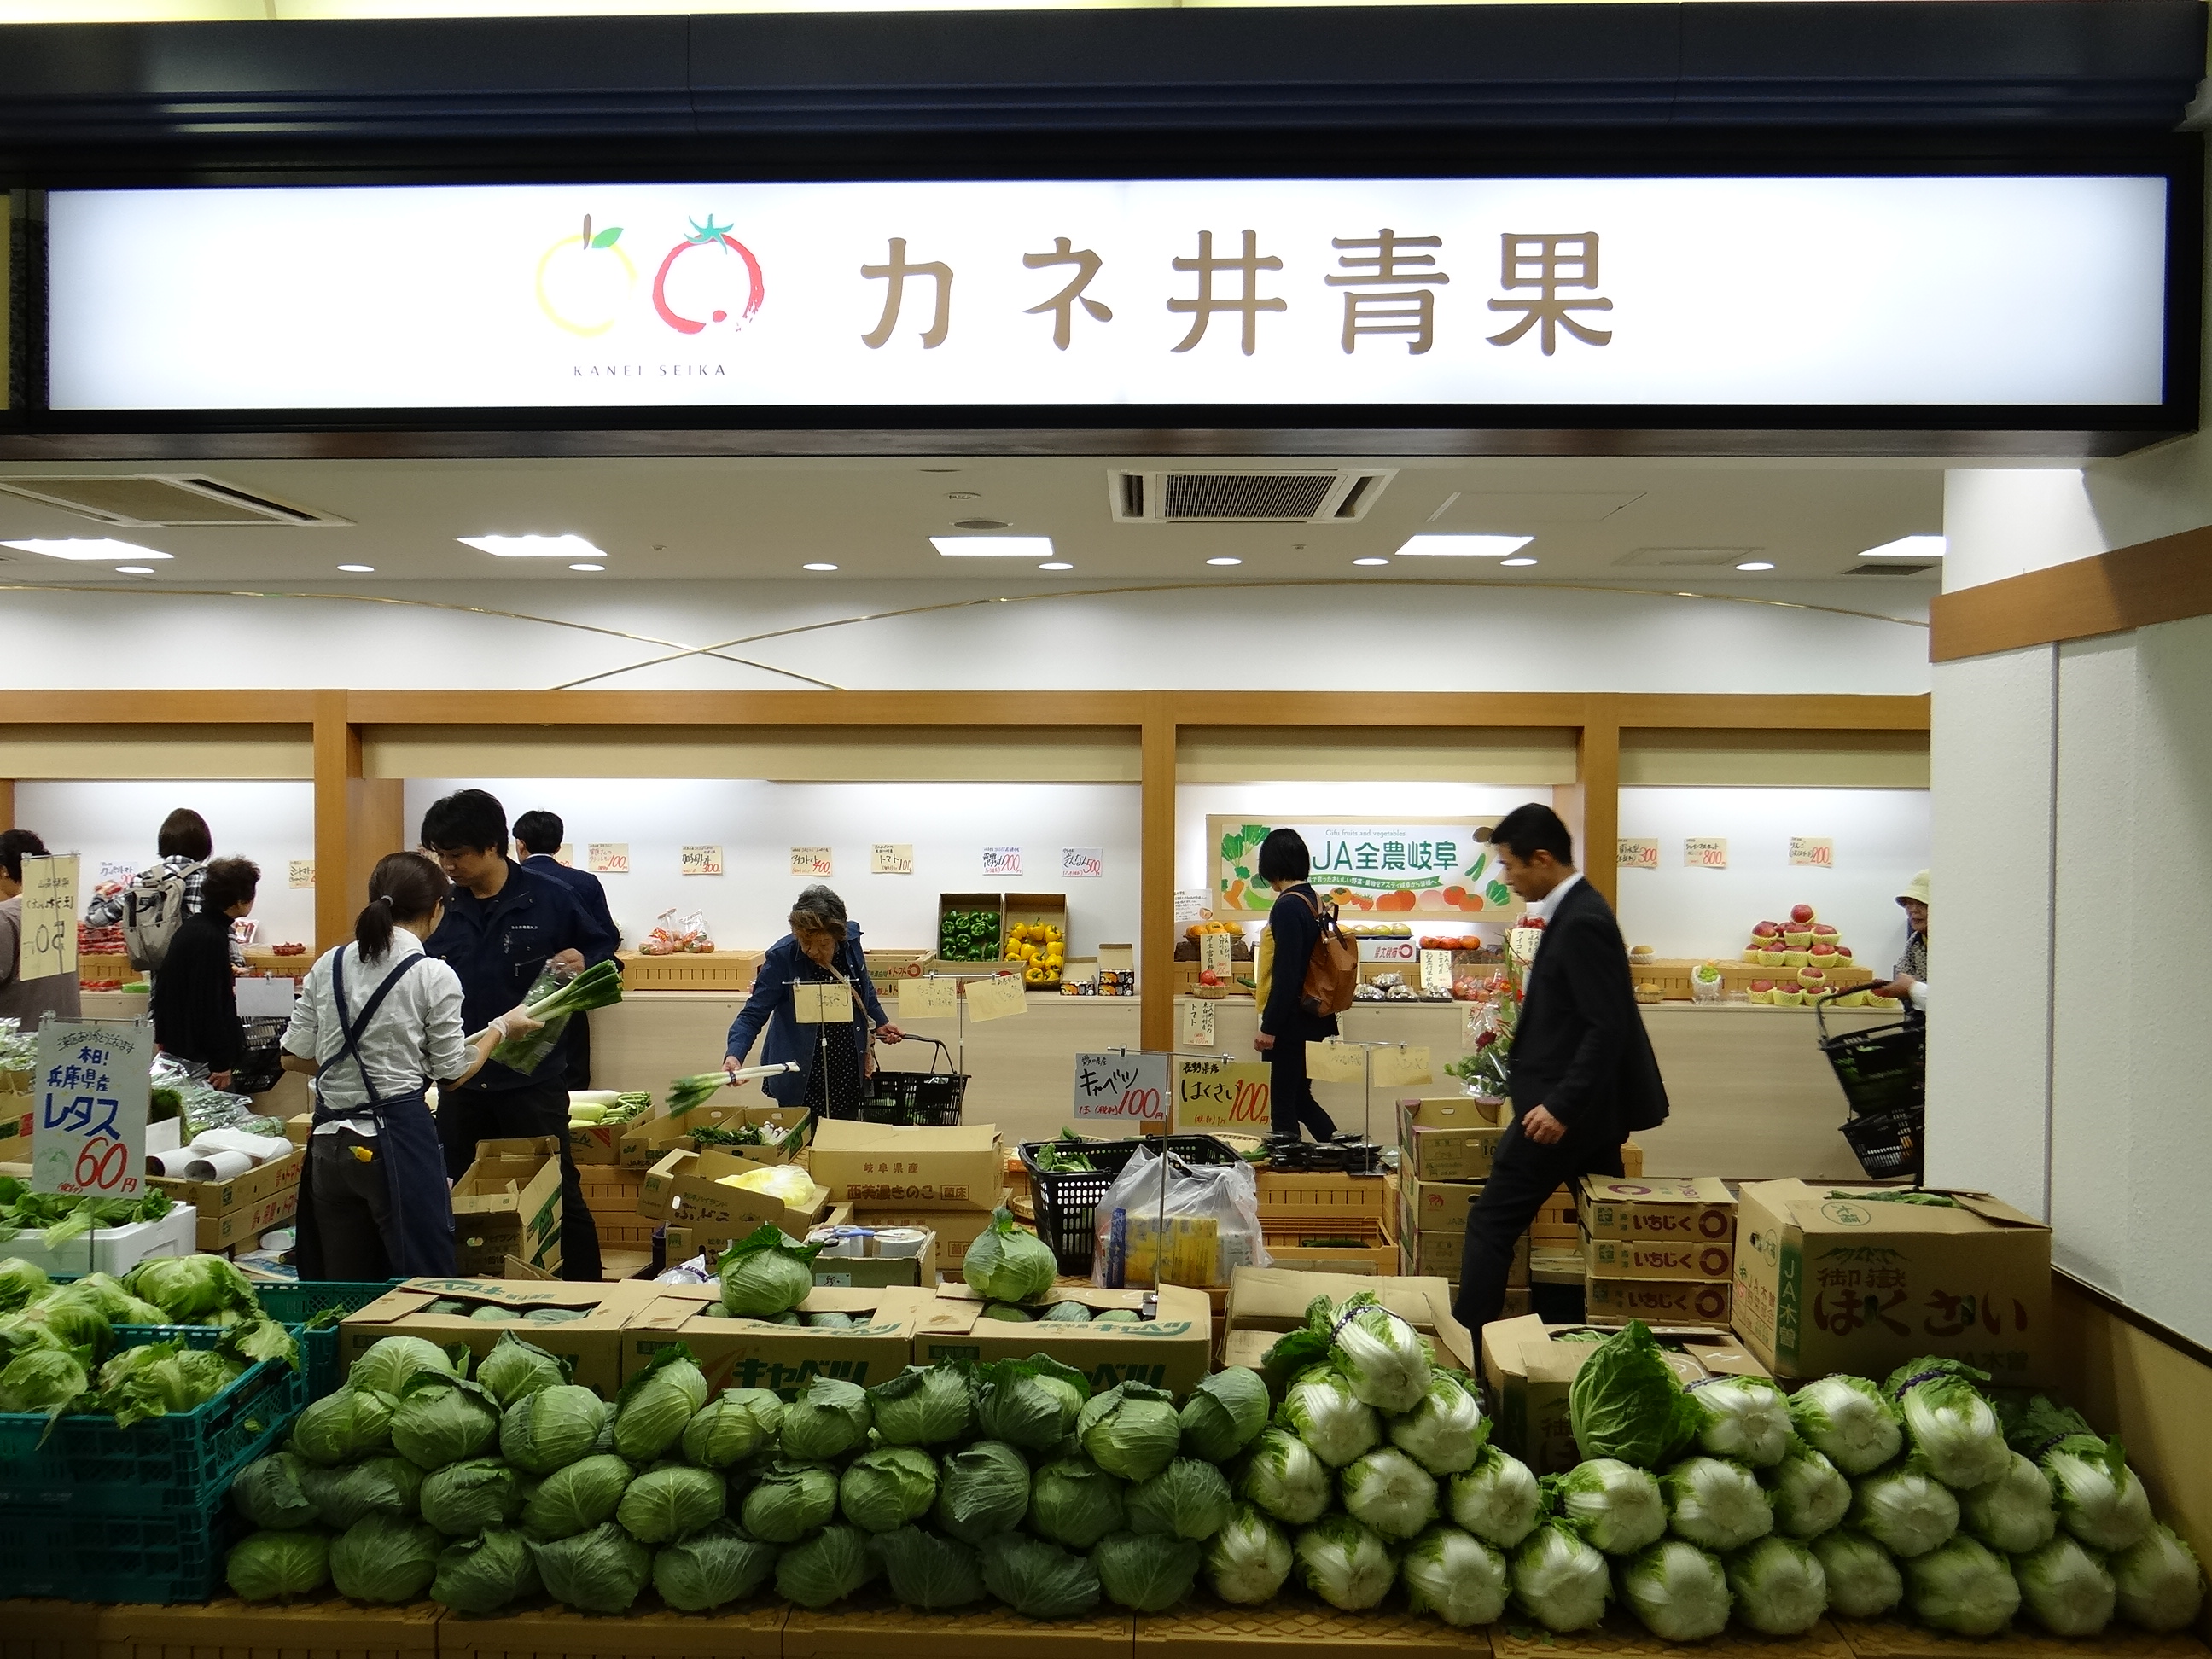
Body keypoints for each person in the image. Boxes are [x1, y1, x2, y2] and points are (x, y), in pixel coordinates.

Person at [1455, 803, 1670, 1335]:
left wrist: (1560, 1107)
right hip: (1586, 1112)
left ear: (1543, 859)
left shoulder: (1583, 920)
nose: (1506, 878)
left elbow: (1607, 1026)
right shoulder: (1576, 911)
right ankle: (1633, 1327)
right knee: (1608, 1225)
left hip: (1560, 1115)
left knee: (1492, 1221)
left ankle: (1466, 1343)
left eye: (1510, 865)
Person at [283, 852, 542, 1280]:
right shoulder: (431, 975)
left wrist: (353, 1069)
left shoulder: (326, 964)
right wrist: (500, 1027)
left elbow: (290, 1055)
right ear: (437, 908)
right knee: (420, 1278)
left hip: (329, 1145)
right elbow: (454, 1074)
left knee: (342, 1283)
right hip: (394, 1141)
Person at [420, 788, 620, 1281]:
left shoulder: (551, 897)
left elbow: (605, 956)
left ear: (494, 846)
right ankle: (471, 1286)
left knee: (556, 1186)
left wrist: (586, 961)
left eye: (457, 854)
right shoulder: (440, 906)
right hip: (462, 1077)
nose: (447, 864)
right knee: (459, 1189)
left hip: (534, 1078)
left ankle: (586, 1297)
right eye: (439, 854)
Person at [724, 886, 903, 1120]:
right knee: (801, 1144)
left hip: (846, 1064)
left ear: (838, 936)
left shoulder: (851, 939)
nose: (812, 951)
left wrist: (880, 1021)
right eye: (805, 942)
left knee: (842, 1137)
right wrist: (734, 1055)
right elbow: (752, 1014)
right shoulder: (781, 957)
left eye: (823, 944)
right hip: (802, 1070)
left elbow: (862, 984)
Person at [513, 808, 622, 1091]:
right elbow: (608, 938)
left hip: (514, 997)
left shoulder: (509, 884)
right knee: (572, 1074)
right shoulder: (584, 883)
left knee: (517, 1070)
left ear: (520, 843)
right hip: (569, 993)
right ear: (558, 846)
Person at [1249, 828, 1341, 1142]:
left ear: (1272, 867)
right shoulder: (1314, 899)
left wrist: (1269, 1026)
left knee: (1283, 1103)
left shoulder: (1288, 905)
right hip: (1314, 1017)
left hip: (1290, 1022)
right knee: (1301, 1098)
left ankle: (1288, 1168)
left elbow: (1287, 973)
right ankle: (1345, 1150)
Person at [149, 857, 259, 1088]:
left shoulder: (194, 928)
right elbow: (211, 1004)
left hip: (180, 1046)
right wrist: (221, 1061)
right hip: (200, 1056)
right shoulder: (211, 936)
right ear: (241, 900)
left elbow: (164, 988)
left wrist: (163, 1035)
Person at [0, 830, 82, 1027]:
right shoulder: (60, 908)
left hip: (20, 1038)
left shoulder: (5, 915)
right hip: (65, 1032)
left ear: (4, 870)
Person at [123, 807, 216, 974]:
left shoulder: (142, 880)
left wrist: (102, 893)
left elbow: (96, 918)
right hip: (203, 977)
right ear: (204, 844)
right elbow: (222, 927)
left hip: (161, 985)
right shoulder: (210, 879)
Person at [1874, 870, 1930, 1014]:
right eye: (1909, 904)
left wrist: (1912, 988)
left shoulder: (1956, 947)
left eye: (1922, 904)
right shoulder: (1916, 940)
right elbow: (1903, 974)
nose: (1913, 910)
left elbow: (1955, 1001)